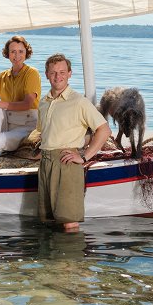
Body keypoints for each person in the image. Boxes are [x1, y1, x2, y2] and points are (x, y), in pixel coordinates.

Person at [37, 53, 111, 232]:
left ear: (70, 73)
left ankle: (73, 259)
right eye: (53, 72)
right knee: (49, 220)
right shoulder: (43, 102)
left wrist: (84, 155)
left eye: (62, 72)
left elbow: (104, 130)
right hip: (45, 163)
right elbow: (43, 132)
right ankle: (53, 259)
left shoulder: (79, 102)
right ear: (46, 74)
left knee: (69, 220)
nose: (58, 76)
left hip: (66, 163)